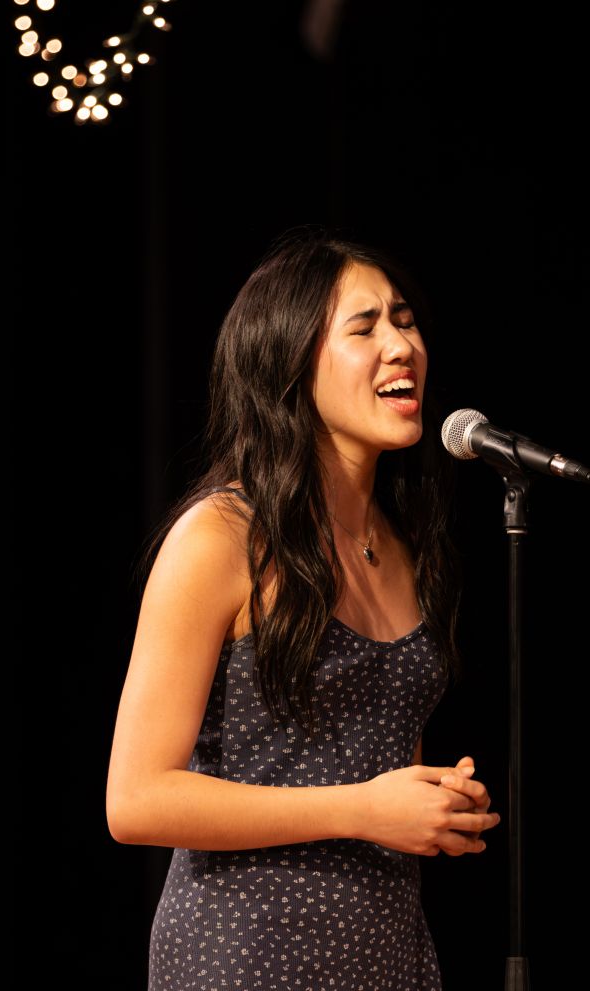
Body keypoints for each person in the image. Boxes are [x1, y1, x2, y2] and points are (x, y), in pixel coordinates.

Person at [106, 227, 501, 990]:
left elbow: (372, 762)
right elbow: (136, 797)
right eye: (365, 327)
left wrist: (432, 803)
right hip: (246, 956)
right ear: (292, 358)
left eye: (406, 319)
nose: (401, 344)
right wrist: (361, 807)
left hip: (388, 953)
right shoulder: (222, 536)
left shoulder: (407, 541)